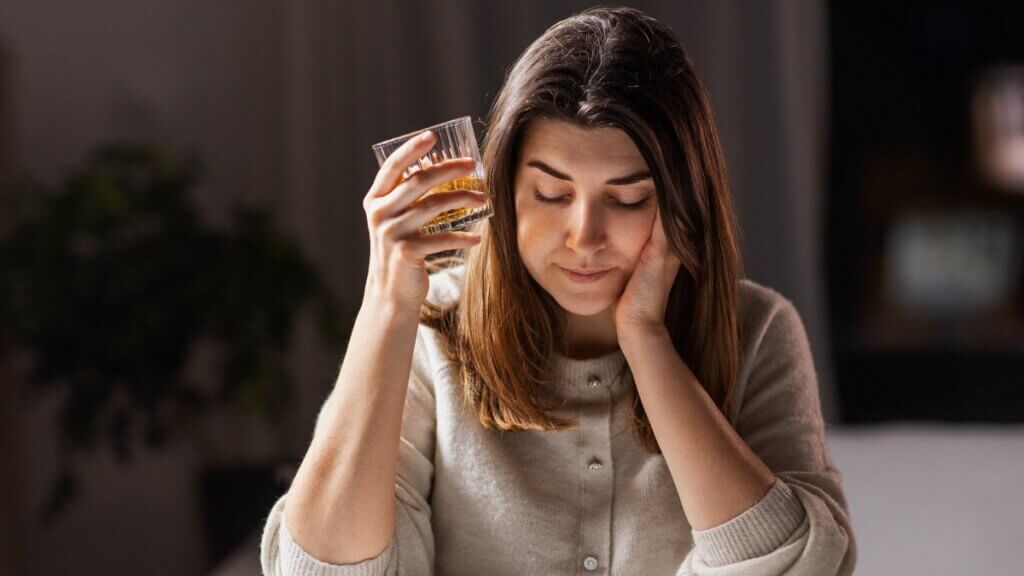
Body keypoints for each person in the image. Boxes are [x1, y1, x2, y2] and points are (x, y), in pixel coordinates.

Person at [259, 6, 856, 575]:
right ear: (502, 190)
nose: (584, 237)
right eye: (551, 194)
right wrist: (388, 302)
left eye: (627, 200)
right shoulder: (435, 325)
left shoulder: (758, 330)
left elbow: (799, 563)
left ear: (683, 199)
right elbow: (320, 566)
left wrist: (646, 339)